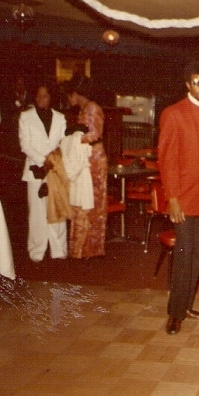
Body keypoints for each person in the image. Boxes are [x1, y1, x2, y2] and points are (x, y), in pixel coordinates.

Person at [158, 59, 199, 335]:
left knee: (197, 254)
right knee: (184, 254)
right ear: (187, 84)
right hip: (184, 197)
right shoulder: (173, 113)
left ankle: (186, 304)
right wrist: (172, 196)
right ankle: (175, 312)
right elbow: (167, 159)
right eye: (195, 82)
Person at [19, 83, 67, 262]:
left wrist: (51, 163)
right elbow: (25, 144)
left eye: (45, 96)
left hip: (55, 170)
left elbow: (62, 144)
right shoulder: (26, 117)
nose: (41, 99)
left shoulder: (61, 118)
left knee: (57, 209)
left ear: (51, 97)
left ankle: (58, 250)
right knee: (37, 212)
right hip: (35, 170)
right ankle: (37, 250)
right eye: (38, 96)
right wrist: (42, 162)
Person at [65, 74, 108, 259]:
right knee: (83, 200)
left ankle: (90, 248)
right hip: (85, 158)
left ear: (75, 93)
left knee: (92, 202)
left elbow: (95, 134)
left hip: (94, 160)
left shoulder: (92, 108)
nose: (68, 99)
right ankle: (81, 248)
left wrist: (74, 136)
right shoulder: (84, 109)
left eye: (69, 95)